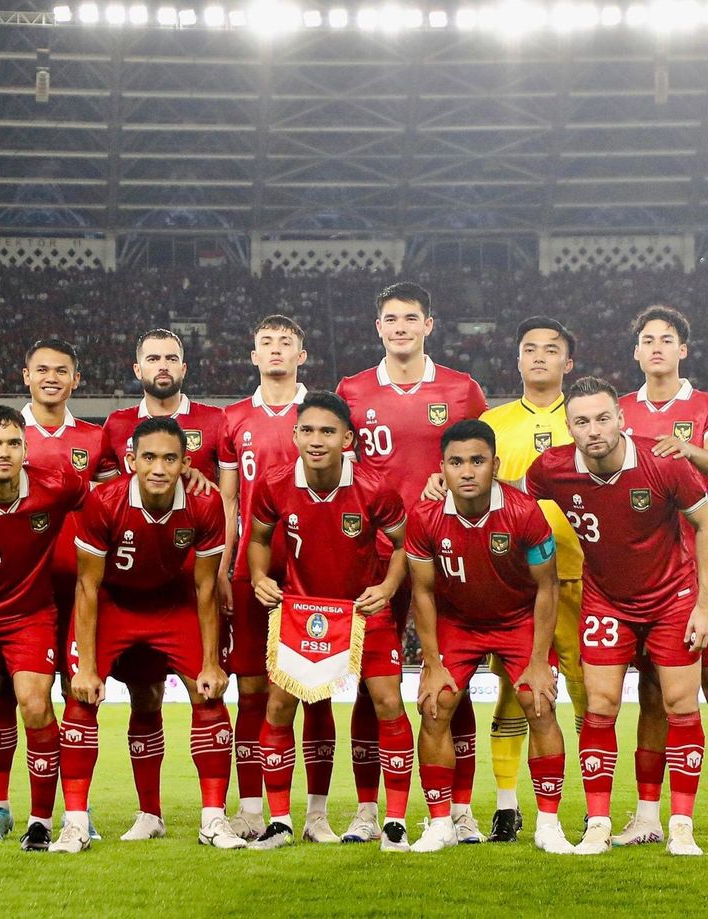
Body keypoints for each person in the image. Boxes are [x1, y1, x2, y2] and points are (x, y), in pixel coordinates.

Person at [525, 376, 708, 856]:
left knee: (680, 705)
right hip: (606, 600)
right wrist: (445, 487)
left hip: (672, 598)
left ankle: (681, 827)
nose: (594, 430)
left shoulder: (662, 462)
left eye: (603, 418)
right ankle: (598, 826)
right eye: (582, 422)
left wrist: (704, 605)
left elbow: (704, 520)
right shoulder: (552, 468)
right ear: (569, 428)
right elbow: (511, 500)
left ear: (621, 419)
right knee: (601, 706)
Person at [422, 316, 585, 842]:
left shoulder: (587, 416)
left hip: (583, 573)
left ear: (568, 362)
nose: (539, 357)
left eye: (551, 349)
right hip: (507, 582)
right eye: (529, 349)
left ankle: (593, 810)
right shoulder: (492, 423)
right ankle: (507, 807)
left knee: (588, 694)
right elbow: (464, 476)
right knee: (514, 697)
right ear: (516, 360)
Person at [336, 281, 488, 844]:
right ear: (378, 327)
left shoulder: (461, 389)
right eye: (391, 319)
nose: (400, 327)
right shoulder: (352, 390)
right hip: (372, 556)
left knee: (454, 680)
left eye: (411, 318)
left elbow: (481, 459)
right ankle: (368, 810)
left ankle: (459, 810)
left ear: (429, 325)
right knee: (370, 685)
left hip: (443, 551)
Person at [50, 417, 244, 853]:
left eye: (170, 459)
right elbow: (87, 585)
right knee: (83, 697)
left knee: (208, 693)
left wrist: (210, 662)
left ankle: (213, 819)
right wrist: (86, 667)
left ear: (185, 463)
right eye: (150, 457)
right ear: (131, 460)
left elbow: (206, 587)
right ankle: (76, 823)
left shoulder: (205, 503)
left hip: (173, 604)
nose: (159, 468)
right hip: (113, 604)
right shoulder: (104, 501)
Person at [248, 391, 414, 851]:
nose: (316, 440)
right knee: (279, 707)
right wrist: (260, 575)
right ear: (295, 435)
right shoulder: (274, 483)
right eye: (307, 430)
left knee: (388, 702)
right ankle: (281, 822)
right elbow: (258, 537)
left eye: (327, 431)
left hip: (362, 610)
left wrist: (388, 587)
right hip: (303, 612)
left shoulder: (374, 487)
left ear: (347, 439)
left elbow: (405, 544)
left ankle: (393, 822)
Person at [407, 419, 572, 854]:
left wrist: (538, 661)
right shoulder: (423, 516)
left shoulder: (524, 512)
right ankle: (440, 823)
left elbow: (547, 586)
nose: (467, 471)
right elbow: (422, 592)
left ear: (495, 465)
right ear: (441, 467)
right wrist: (431, 662)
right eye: (456, 462)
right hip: (458, 622)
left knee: (539, 703)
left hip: (518, 619)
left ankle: (549, 825)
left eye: (477, 461)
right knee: (435, 706)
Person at [0, 339, 106, 844]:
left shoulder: (71, 464)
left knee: (48, 700)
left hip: (48, 601)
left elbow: (111, 500)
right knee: (2, 692)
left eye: (13, 444)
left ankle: (58, 814)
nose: (4, 452)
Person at [98, 328, 224, 841]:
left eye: (172, 357)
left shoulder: (213, 422)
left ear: (184, 367)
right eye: (153, 358)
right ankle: (149, 814)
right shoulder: (116, 425)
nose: (163, 365)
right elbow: (103, 492)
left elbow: (225, 497)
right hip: (129, 582)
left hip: (191, 584)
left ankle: (216, 815)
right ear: (138, 369)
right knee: (144, 695)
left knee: (207, 690)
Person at [218, 315, 337, 843]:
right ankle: (250, 810)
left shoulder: (321, 415)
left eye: (285, 342)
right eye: (265, 342)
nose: (274, 350)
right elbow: (228, 501)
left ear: (300, 355)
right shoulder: (234, 418)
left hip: (314, 572)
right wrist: (225, 568)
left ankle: (316, 814)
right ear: (253, 355)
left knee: (316, 692)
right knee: (250, 691)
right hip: (252, 570)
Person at [615, 305, 708, 846]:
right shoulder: (619, 411)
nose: (656, 347)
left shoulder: (703, 407)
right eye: (647, 339)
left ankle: (680, 819)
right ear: (636, 352)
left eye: (666, 339)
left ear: (682, 350)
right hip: (649, 579)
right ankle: (648, 818)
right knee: (653, 695)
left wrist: (689, 450)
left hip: (702, 568)